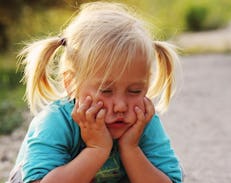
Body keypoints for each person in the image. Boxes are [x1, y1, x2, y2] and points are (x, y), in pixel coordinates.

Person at [8, 1, 183, 183]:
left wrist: (131, 149)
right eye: (106, 91)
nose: (121, 106)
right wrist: (97, 150)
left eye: (135, 91)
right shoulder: (56, 121)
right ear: (71, 83)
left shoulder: (142, 120)